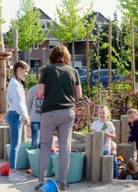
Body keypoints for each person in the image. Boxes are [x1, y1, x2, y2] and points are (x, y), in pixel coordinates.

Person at [35, 45, 82, 191]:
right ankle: (63, 183)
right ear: (67, 56)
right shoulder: (73, 71)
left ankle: (41, 181)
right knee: (64, 147)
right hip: (67, 112)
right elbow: (79, 95)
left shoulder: (46, 70)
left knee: (44, 147)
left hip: (49, 113)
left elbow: (39, 93)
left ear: (52, 56)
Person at [6, 61, 30, 182]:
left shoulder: (15, 83)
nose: (26, 74)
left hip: (15, 114)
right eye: (25, 71)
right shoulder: (15, 84)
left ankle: (13, 171)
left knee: (16, 145)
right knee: (15, 146)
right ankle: (12, 172)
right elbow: (19, 104)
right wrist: (26, 116)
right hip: (15, 115)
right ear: (19, 69)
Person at [27, 84, 41, 149]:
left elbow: (28, 104)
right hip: (35, 119)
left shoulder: (50, 88)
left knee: (43, 143)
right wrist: (29, 116)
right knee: (35, 141)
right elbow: (28, 104)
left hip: (46, 120)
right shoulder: (33, 89)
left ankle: (37, 158)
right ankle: (33, 158)